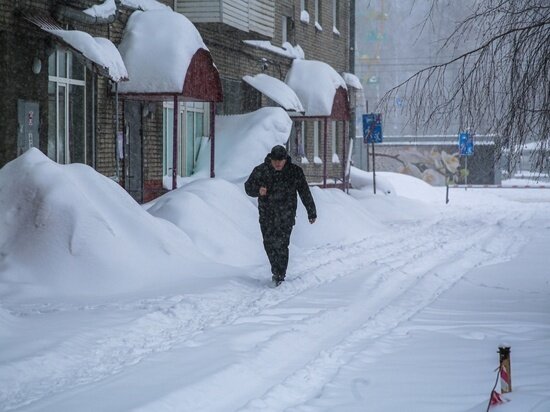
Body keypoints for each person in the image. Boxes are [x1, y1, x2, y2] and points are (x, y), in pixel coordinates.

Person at [245, 145, 317, 286]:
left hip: (286, 214)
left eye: (281, 160)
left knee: (282, 244)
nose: (278, 163)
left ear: (285, 159)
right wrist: (258, 190)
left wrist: (311, 211)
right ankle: (275, 269)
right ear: (270, 159)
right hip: (267, 214)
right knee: (269, 243)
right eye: (275, 160)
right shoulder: (261, 171)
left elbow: (304, 192)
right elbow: (248, 187)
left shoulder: (294, 172)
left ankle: (280, 274)